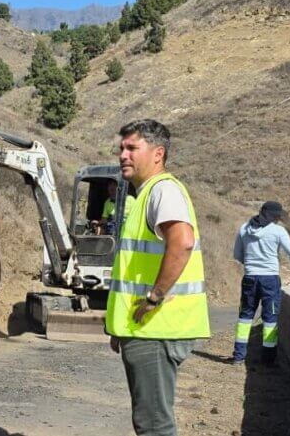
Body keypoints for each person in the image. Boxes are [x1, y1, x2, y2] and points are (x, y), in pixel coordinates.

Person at [105, 119, 211, 436]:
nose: (123, 154)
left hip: (156, 329)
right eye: (121, 148)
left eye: (132, 148)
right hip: (145, 329)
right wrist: (119, 327)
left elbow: (182, 241)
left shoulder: (162, 191)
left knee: (153, 425)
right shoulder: (147, 194)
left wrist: (154, 297)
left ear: (157, 153)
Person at [231, 201, 290, 365]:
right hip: (270, 279)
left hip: (250, 277)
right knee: (270, 318)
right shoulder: (278, 231)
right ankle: (268, 360)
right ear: (267, 214)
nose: (277, 218)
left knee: (245, 316)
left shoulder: (244, 228)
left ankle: (238, 356)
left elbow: (237, 255)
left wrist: (251, 265)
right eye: (275, 216)